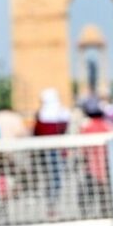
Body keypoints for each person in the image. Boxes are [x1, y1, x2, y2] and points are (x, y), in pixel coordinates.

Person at [33, 88, 70, 218]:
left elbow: (36, 133)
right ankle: (52, 205)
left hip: (50, 152)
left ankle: (52, 205)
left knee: (52, 179)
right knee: (54, 179)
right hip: (55, 151)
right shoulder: (61, 113)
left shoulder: (45, 114)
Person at [78, 98, 113, 217]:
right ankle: (106, 212)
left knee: (89, 190)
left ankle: (88, 213)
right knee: (104, 190)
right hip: (104, 163)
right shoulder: (106, 125)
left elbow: (81, 147)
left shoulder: (86, 126)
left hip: (90, 164)